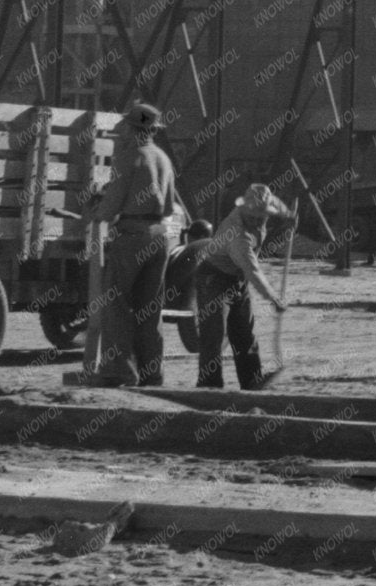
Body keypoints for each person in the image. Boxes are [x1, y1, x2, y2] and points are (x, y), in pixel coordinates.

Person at [87, 101, 187, 387]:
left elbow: (112, 204)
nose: (122, 132)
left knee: (116, 303)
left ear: (133, 129)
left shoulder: (129, 157)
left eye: (126, 128)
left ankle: (119, 370)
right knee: (150, 308)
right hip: (159, 236)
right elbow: (168, 207)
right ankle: (152, 373)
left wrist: (97, 212)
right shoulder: (163, 159)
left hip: (132, 237)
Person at [193, 183, 293, 391]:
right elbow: (252, 271)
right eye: (253, 216)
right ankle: (209, 385)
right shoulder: (238, 235)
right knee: (214, 333)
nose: (257, 220)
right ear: (245, 210)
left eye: (261, 217)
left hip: (237, 279)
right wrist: (273, 298)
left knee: (244, 332)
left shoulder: (262, 207)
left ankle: (252, 381)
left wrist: (289, 216)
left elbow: (275, 203)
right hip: (214, 278)